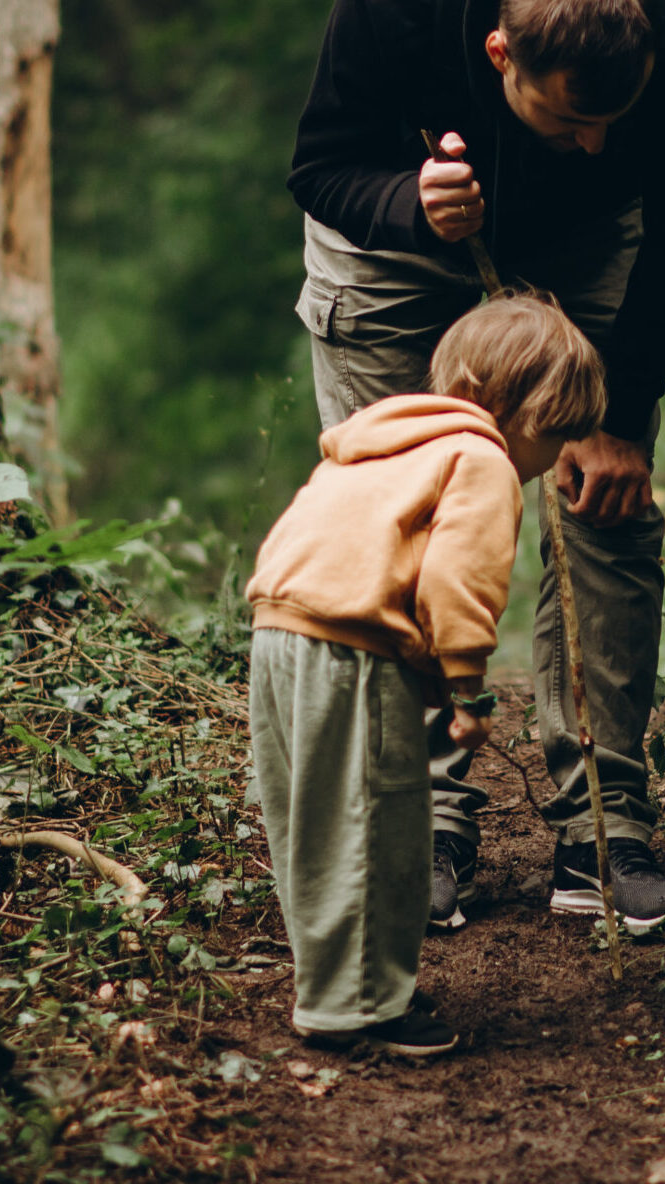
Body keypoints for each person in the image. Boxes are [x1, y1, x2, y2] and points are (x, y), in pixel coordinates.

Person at [288, 0, 665, 933]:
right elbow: (319, 163)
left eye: (610, 122)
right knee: (399, 508)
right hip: (395, 247)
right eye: (571, 117)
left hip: (584, 250)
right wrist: (412, 200)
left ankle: (603, 829)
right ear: (500, 56)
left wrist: (620, 413)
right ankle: (419, 820)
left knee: (604, 501)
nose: (591, 144)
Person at [244, 292, 607, 1056]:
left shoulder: (376, 442)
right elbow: (456, 582)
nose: (550, 459)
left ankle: (331, 989)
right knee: (379, 829)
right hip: (352, 653)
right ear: (509, 407)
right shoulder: (480, 460)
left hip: (278, 636)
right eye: (553, 434)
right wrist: (468, 688)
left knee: (311, 828)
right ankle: (364, 1009)